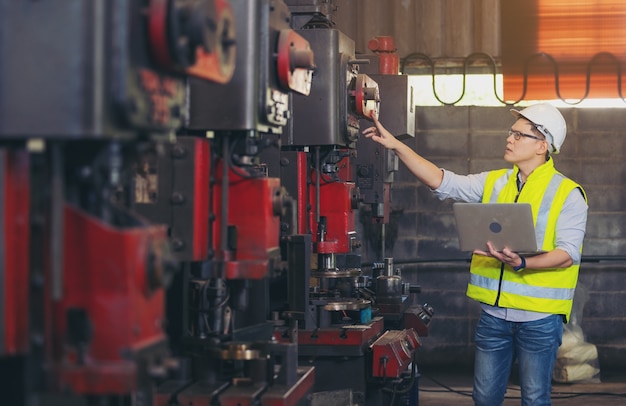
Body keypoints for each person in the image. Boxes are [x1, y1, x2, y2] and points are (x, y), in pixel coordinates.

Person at [363, 103, 588, 406]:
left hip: (539, 319)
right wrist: (396, 146)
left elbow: (568, 253)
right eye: (511, 132)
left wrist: (522, 262)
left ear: (542, 146)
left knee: (535, 399)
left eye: (519, 135)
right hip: (494, 317)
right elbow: (441, 181)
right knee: (483, 398)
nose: (509, 139)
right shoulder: (495, 182)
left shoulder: (568, 193)